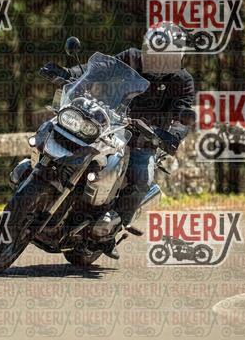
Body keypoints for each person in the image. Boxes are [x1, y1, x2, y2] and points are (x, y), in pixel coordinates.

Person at [39, 24, 196, 259]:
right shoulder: (131, 57)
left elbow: (182, 114)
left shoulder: (182, 81)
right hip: (108, 124)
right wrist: (68, 74)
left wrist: (173, 134)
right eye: (152, 51)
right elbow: (99, 68)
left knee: (142, 177)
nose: (155, 58)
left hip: (145, 138)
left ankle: (109, 230)